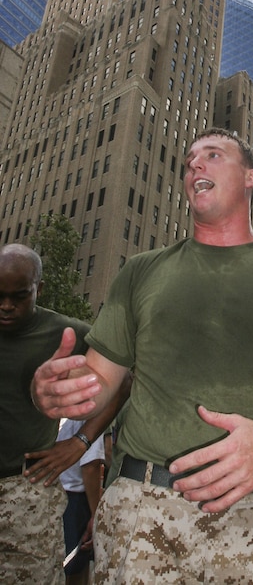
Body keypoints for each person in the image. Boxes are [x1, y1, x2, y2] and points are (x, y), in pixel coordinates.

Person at [32, 127, 253, 583]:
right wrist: (56, 391)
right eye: (190, 159)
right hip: (143, 516)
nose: (194, 165)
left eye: (213, 155)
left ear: (252, 178)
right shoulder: (140, 271)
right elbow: (98, 384)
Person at [0, 244, 90, 584]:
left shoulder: (67, 333)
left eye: (19, 296)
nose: (6, 306)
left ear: (39, 289)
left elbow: (122, 380)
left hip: (25, 495)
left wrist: (80, 442)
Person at [58, 418, 106, 585]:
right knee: (74, 568)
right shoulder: (90, 415)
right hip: (76, 500)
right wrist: (96, 513)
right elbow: (90, 466)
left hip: (51, 492)